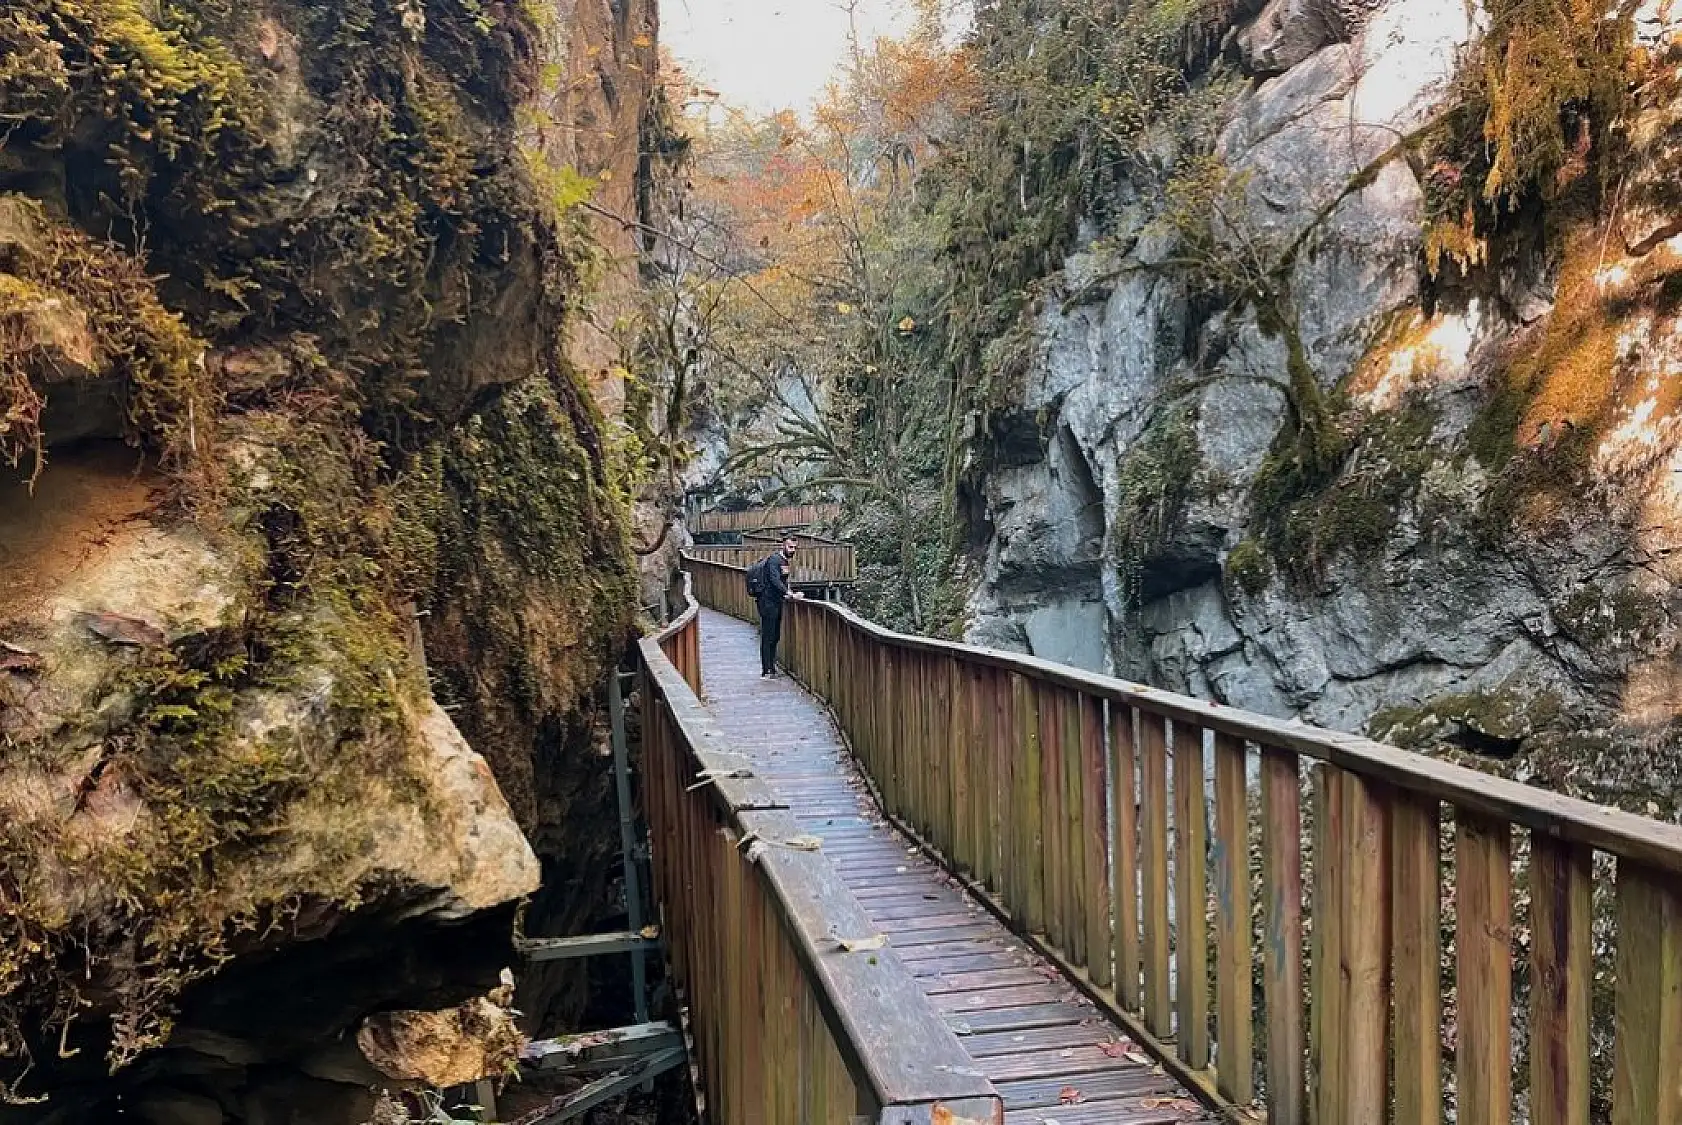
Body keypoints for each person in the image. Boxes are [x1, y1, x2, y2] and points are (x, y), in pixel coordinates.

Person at [754, 536, 804, 677]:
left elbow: (783, 580)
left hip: (777, 602)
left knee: (775, 636)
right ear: (783, 546)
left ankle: (772, 667)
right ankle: (766, 669)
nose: (792, 550)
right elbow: (775, 580)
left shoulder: (784, 561)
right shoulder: (774, 560)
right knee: (768, 635)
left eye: (794, 547)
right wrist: (790, 594)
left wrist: (787, 593)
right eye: (790, 547)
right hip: (767, 603)